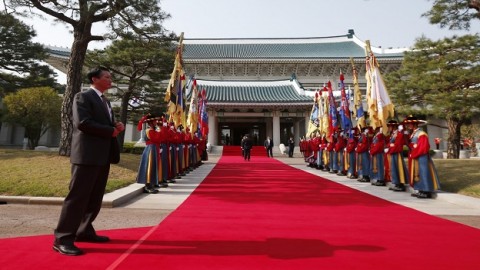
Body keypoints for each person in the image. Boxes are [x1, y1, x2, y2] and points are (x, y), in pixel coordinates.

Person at [53, 67, 125, 256]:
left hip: (102, 156)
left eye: (111, 77)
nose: (110, 80)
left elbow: (103, 124)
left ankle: (84, 230)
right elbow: (82, 123)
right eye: (107, 77)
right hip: (86, 156)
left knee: (95, 197)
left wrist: (115, 126)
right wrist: (110, 131)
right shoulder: (82, 97)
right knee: (77, 198)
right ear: (95, 79)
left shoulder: (105, 100)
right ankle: (63, 238)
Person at [403, 115, 441, 199]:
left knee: (423, 172)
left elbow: (423, 146)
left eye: (410, 124)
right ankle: (420, 189)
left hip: (421, 156)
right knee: (417, 173)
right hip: (416, 155)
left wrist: (414, 153)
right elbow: (412, 144)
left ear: (415, 124)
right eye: (408, 124)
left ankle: (426, 190)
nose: (409, 125)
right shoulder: (413, 133)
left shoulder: (421, 133)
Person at [136, 114, 162, 194]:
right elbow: (157, 138)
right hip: (151, 149)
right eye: (154, 121)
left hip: (153, 148)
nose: (156, 122)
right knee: (149, 167)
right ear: (150, 122)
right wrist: (161, 130)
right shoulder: (149, 131)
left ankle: (152, 183)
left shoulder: (152, 130)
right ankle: (148, 185)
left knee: (153, 166)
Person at [386, 120, 409, 192]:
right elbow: (390, 144)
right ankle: (396, 183)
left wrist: (391, 147)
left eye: (390, 126)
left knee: (398, 168)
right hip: (393, 152)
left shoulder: (399, 133)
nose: (389, 128)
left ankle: (400, 184)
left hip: (397, 153)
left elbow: (398, 144)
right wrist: (390, 146)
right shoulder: (393, 134)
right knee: (394, 168)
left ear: (394, 126)